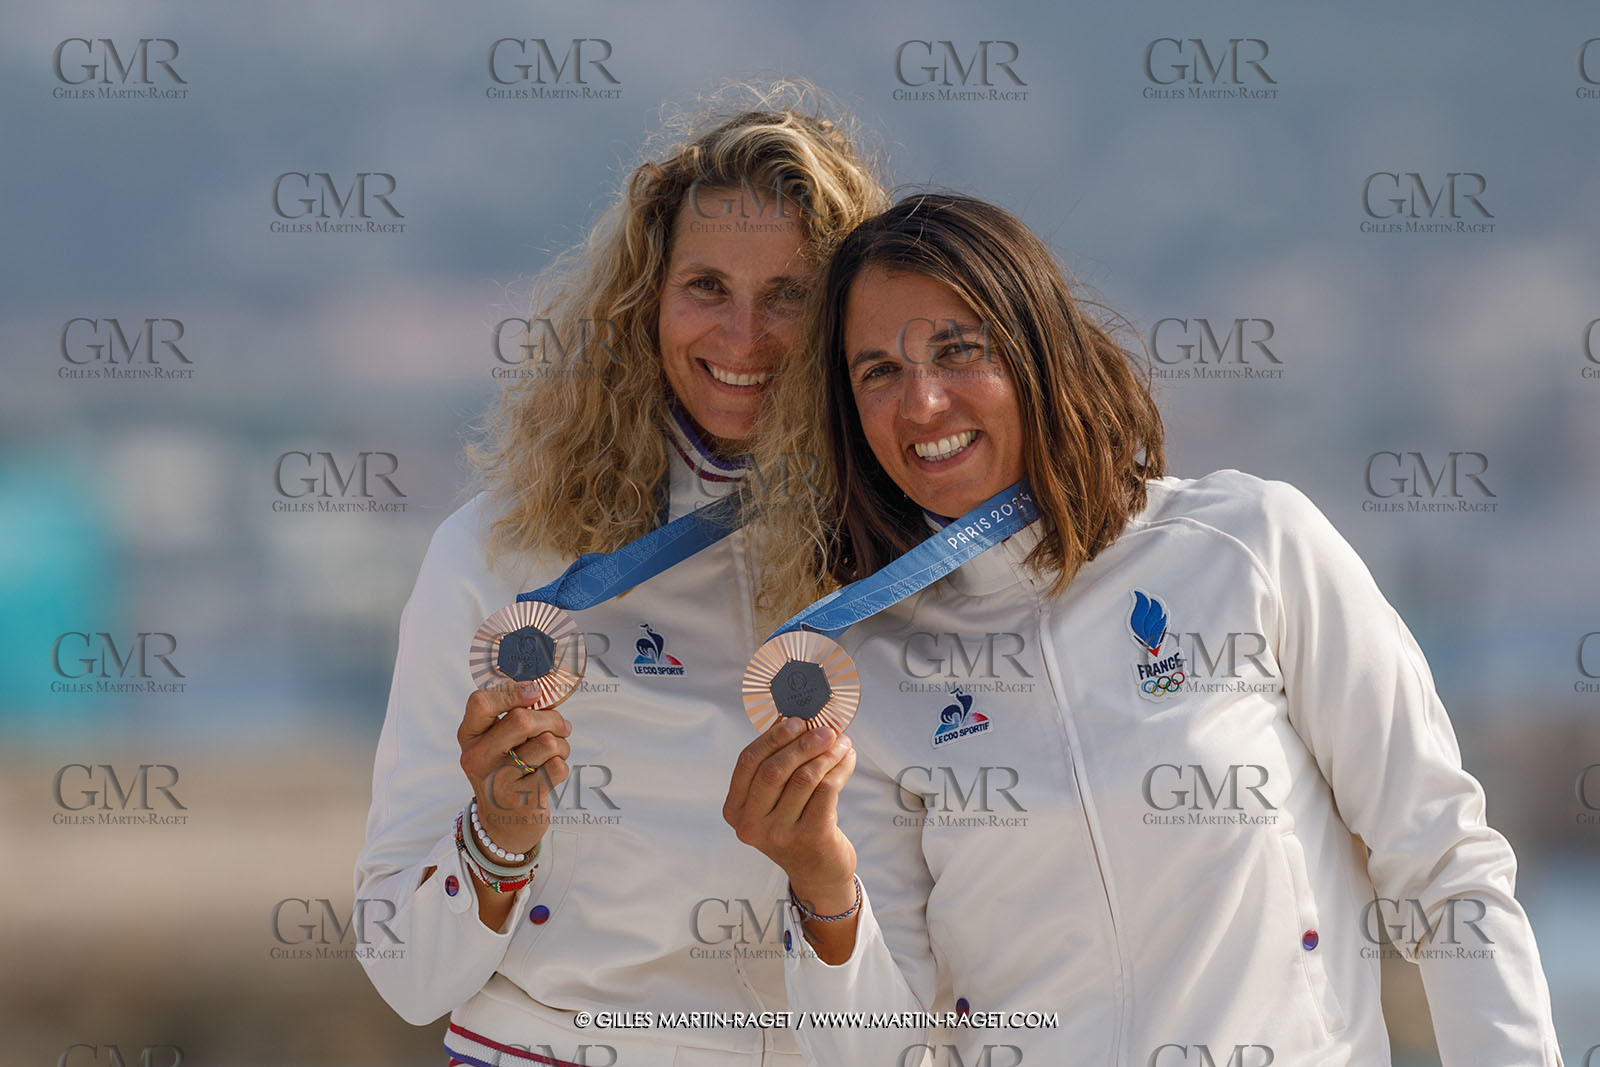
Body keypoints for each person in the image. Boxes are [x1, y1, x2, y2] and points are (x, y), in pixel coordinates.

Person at [724, 193, 1565, 1066]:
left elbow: (1443, 861)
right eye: (878, 373)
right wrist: (822, 888)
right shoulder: (866, 674)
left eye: (958, 350)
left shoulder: (1248, 545)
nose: (923, 401)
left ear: (1038, 349)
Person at [354, 83, 886, 1067]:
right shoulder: (497, 553)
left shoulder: (906, 567)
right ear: (645, 301)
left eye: (790, 295)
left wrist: (828, 888)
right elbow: (403, 973)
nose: (742, 338)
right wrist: (499, 836)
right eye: (707, 288)